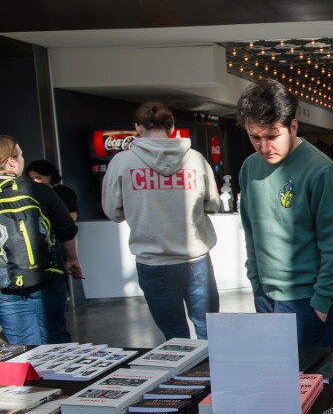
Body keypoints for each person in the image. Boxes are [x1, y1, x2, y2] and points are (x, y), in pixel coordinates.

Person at [237, 79, 333, 353]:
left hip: (308, 301)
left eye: (272, 136)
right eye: (255, 137)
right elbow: (251, 232)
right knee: (276, 382)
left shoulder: (322, 172)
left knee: (316, 384)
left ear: (292, 126)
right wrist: (257, 286)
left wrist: (321, 302)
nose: (264, 146)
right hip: (266, 298)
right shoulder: (249, 168)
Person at [102, 101, 220, 341]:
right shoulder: (196, 159)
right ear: (172, 127)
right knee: (210, 331)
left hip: (153, 262)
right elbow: (214, 203)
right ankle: (215, 377)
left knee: (175, 337)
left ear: (138, 128)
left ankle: (187, 378)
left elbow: (112, 212)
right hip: (195, 260)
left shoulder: (122, 163)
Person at [0, 136, 83, 344]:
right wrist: (72, 260)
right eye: (20, 155)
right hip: (48, 276)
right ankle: (61, 376)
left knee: (22, 345)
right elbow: (67, 229)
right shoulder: (40, 190)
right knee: (55, 335)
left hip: (6, 285)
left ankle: (31, 376)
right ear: (11, 161)